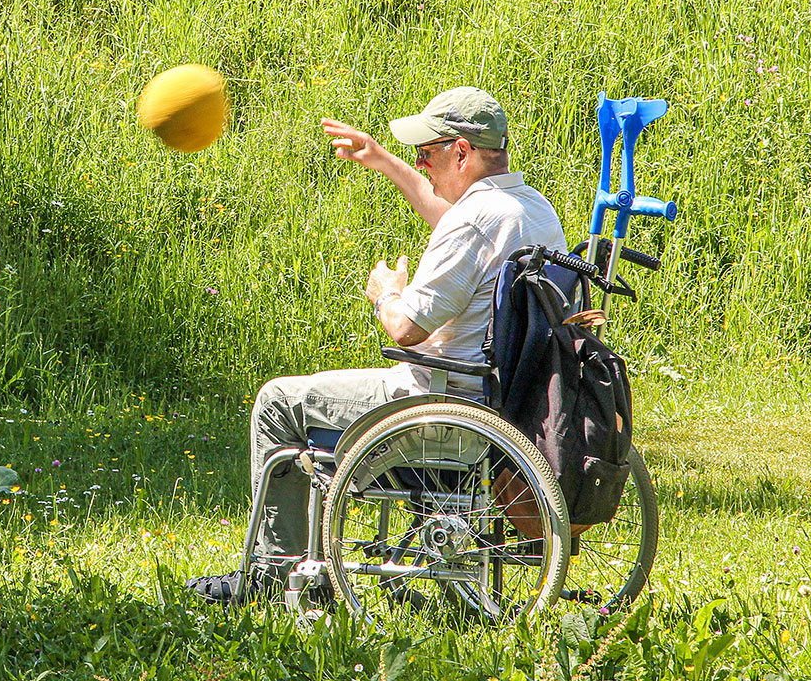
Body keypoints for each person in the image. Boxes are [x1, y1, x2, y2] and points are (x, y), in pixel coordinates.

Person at [186, 86, 566, 604]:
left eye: (427, 154)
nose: (422, 163)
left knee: (277, 403)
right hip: (496, 402)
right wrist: (383, 160)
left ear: (460, 151)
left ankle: (272, 574)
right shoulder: (531, 209)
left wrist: (387, 293)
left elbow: (406, 328)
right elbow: (451, 217)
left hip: (437, 402)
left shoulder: (474, 222)